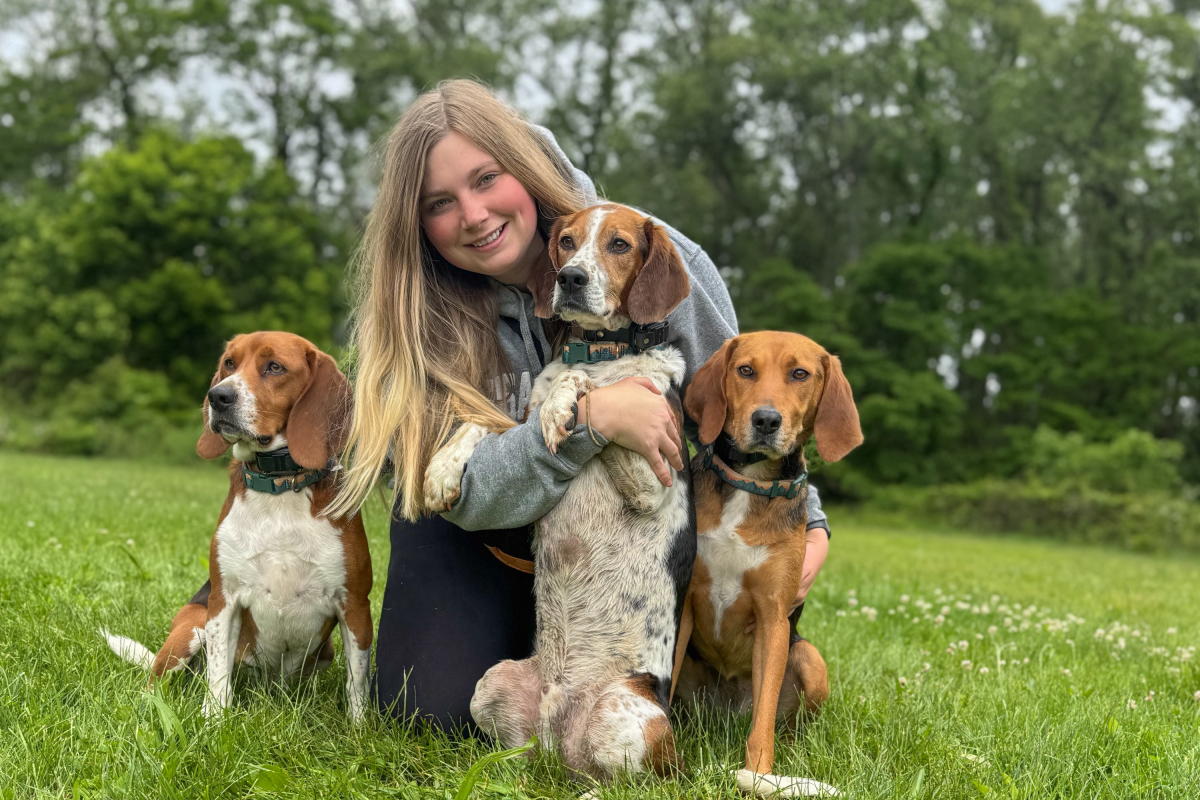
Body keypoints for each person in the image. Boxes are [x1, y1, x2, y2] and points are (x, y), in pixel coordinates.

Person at [327, 79, 832, 729]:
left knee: (647, 719)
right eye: (440, 203)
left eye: (487, 179)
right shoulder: (415, 316)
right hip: (485, 542)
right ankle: (520, 657)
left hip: (631, 557)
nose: (475, 214)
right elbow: (457, 491)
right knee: (427, 712)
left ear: (526, 167)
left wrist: (808, 520)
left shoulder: (657, 254)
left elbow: (728, 411)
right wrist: (590, 421)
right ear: (417, 224)